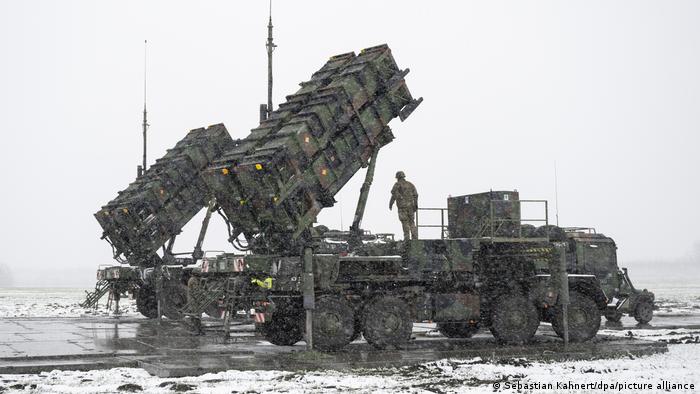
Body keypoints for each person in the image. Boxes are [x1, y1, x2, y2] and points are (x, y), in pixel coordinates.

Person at [389, 171, 418, 240]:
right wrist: (416, 204)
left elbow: (393, 193)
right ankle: (415, 237)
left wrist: (391, 203)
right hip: (411, 207)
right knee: (412, 222)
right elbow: (416, 195)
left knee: (405, 222)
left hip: (402, 207)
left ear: (397, 177)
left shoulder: (397, 184)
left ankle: (407, 238)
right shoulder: (410, 184)